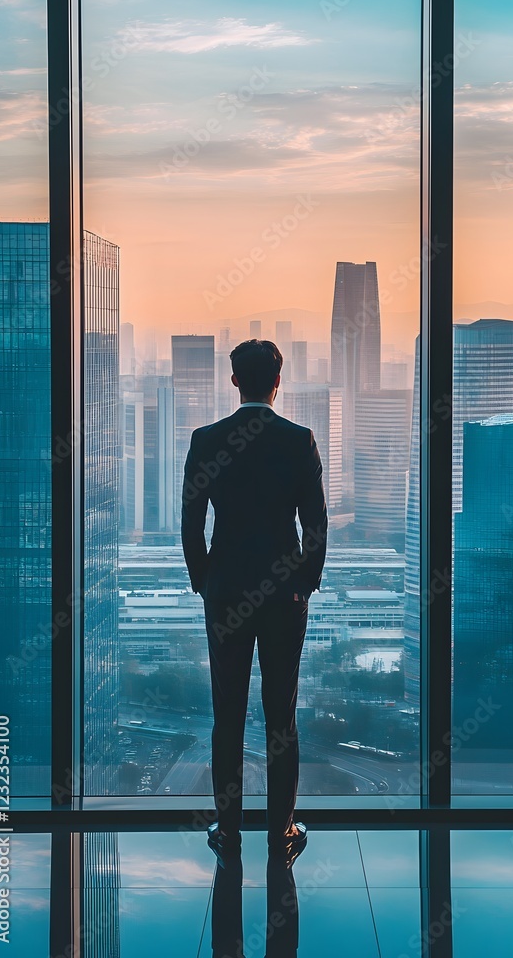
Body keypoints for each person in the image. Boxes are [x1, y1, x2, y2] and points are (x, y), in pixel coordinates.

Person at [181, 339, 328, 862]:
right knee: (280, 713)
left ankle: (228, 830)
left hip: (226, 596)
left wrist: (206, 582)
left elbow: (192, 522)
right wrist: (303, 583)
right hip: (284, 595)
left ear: (235, 380)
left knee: (228, 713)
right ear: (277, 382)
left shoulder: (206, 439)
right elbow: (315, 524)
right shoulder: (298, 440)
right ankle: (281, 830)